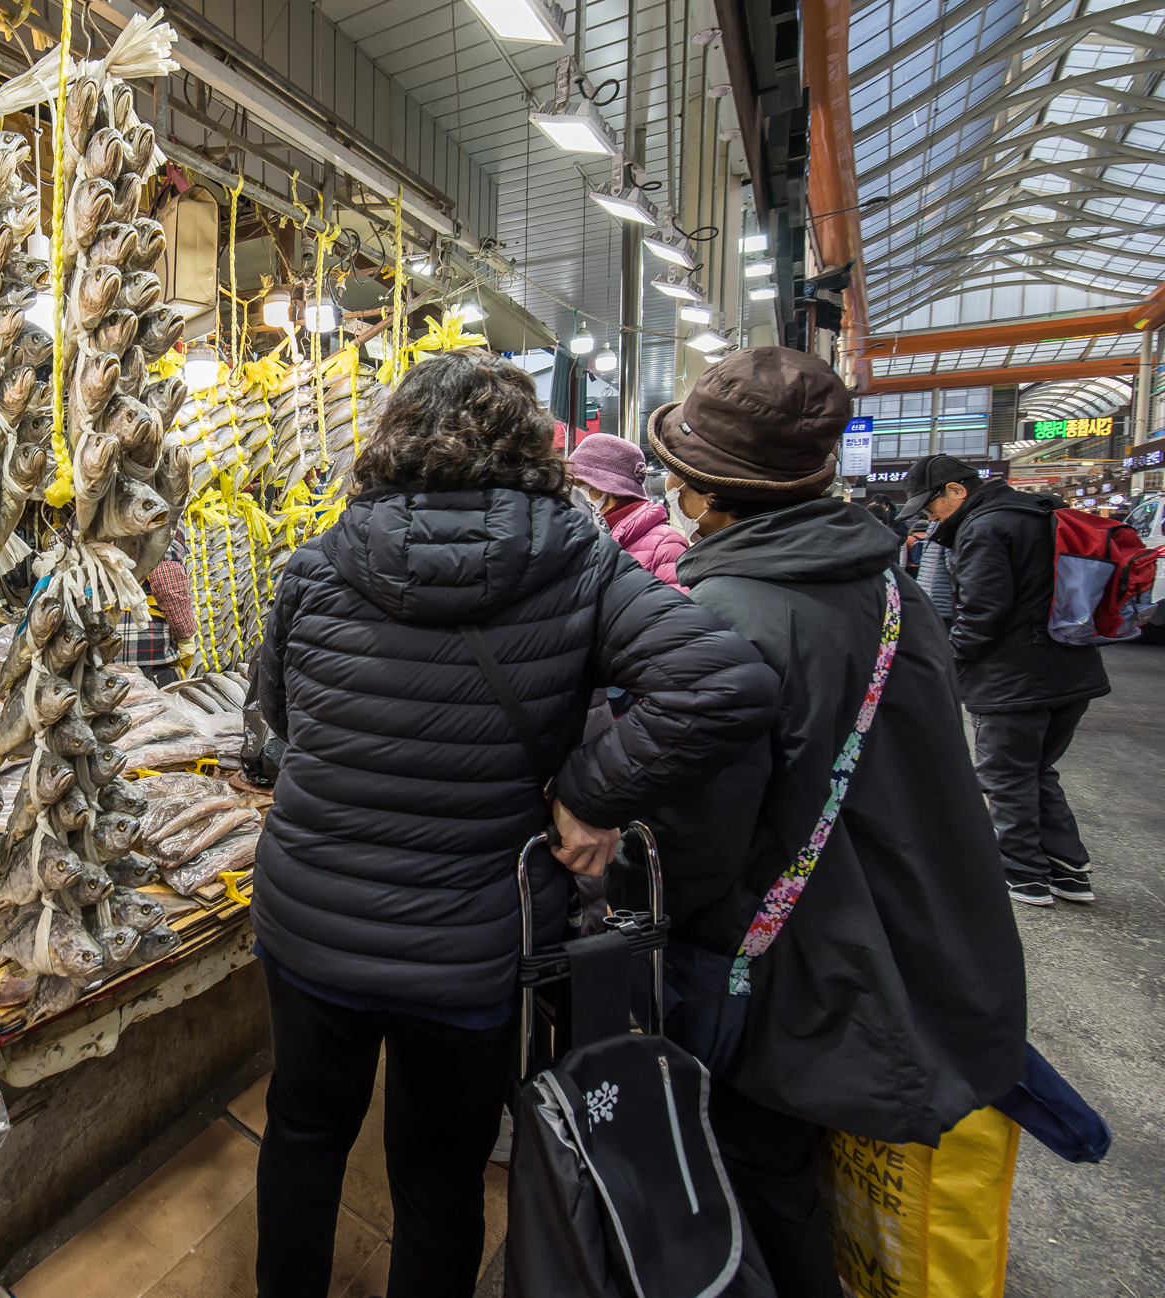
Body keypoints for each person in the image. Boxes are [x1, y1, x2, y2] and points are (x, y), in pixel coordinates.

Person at [252, 350, 780, 1298]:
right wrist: (591, 791)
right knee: (438, 1174)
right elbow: (724, 683)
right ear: (533, 448)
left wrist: (585, 789)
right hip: (471, 946)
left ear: (392, 440)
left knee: (303, 1131)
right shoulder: (581, 561)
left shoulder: (320, 562)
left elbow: (279, 719)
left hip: (311, 926)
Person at [646, 350, 1026, 1298]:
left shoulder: (731, 614)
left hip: (793, 956)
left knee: (762, 1175)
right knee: (800, 1167)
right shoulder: (889, 587)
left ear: (705, 493)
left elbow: (702, 842)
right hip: (899, 929)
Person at [899, 453, 1111, 905]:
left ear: (956, 490)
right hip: (1072, 667)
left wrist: (949, 663)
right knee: (1036, 769)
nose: (930, 517)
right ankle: (1068, 868)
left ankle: (1022, 872)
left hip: (1014, 677)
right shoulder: (1043, 512)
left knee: (1006, 776)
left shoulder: (985, 527)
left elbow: (981, 612)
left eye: (930, 506)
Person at [567, 430, 688, 583]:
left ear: (606, 490)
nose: (572, 494)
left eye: (578, 486)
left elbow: (673, 597)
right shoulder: (581, 533)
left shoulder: (667, 544)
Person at [115, 532, 198, 686]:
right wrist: (186, 636)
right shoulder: (162, 519)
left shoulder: (81, 520)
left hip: (99, 656)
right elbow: (166, 578)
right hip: (151, 658)